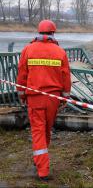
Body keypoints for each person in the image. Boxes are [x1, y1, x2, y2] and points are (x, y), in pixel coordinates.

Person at [17, 19, 71, 181]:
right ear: (53, 33)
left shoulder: (28, 50)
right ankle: (41, 160)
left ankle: (42, 169)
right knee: (46, 129)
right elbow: (66, 77)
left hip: (35, 98)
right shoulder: (60, 52)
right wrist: (64, 98)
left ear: (39, 33)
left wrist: (22, 95)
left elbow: (22, 75)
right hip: (53, 99)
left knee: (38, 131)